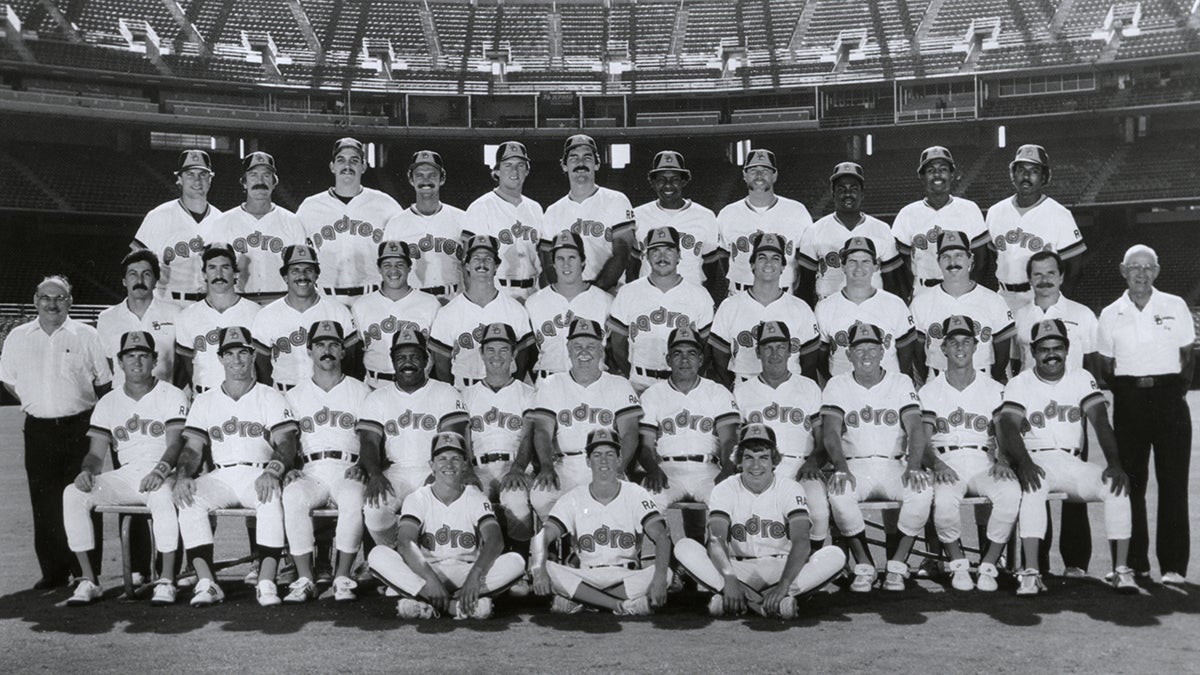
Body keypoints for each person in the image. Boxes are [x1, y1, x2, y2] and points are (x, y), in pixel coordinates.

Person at [996, 318, 1136, 596]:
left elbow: (1100, 422)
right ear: (1033, 352)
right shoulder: (1020, 382)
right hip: (1037, 459)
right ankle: (1031, 573)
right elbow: (1008, 426)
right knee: (1033, 488)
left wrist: (1115, 464)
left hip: (1072, 462)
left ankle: (1121, 570)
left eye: (1057, 348)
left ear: (1067, 349)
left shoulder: (1081, 377)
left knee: (1116, 487)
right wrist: (1024, 463)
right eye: (1044, 348)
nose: (1051, 354)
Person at [173, 326, 301, 607]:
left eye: (243, 352)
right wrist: (183, 476)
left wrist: (273, 470)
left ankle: (267, 581)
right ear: (220, 359)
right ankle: (207, 581)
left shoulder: (270, 396)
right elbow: (193, 449)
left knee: (270, 497)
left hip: (259, 471)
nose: (237, 360)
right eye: (229, 354)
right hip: (221, 473)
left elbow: (286, 442)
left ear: (253, 355)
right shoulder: (205, 400)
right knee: (188, 498)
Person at [1, 275, 111, 589]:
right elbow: (9, 379)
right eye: (46, 297)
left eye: (59, 298)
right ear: (36, 300)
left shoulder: (85, 334)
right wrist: (39, 403)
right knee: (44, 501)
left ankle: (86, 572)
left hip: (79, 428)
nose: (52, 303)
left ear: (70, 302)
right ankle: (53, 572)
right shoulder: (18, 336)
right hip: (38, 430)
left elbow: (103, 383)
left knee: (83, 495)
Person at [62, 331, 188, 606]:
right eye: (130, 356)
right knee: (74, 493)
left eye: (144, 356)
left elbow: (176, 443)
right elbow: (96, 453)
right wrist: (87, 471)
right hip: (128, 472)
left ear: (155, 360)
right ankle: (88, 579)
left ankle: (166, 580)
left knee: (164, 497)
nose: (137, 362)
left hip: (162, 471)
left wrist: (161, 470)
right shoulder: (108, 401)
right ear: (120, 362)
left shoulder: (172, 394)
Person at [672, 423, 847, 618]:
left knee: (835, 555)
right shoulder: (724, 488)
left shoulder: (790, 488)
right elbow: (715, 540)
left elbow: (802, 541)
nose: (756, 466)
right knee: (684, 546)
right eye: (749, 457)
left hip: (781, 567)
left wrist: (783, 585)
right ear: (739, 460)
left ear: (774, 460)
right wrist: (729, 578)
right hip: (737, 567)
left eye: (763, 457)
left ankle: (742, 601)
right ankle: (773, 604)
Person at [1097, 245, 1194, 585]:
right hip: (1130, 401)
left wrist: (1171, 390)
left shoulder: (1175, 305)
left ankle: (1173, 566)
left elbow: (1187, 355)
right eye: (1134, 267)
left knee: (1173, 484)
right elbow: (1105, 365)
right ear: (1123, 270)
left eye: (1147, 267)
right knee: (1131, 484)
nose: (1141, 273)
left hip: (1170, 400)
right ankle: (1134, 562)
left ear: (1157, 270)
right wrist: (1130, 391)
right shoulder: (1111, 312)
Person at [367, 431, 526, 619]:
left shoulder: (475, 497)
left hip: (466, 570)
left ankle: (426, 603)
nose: (449, 465)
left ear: (466, 465)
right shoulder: (418, 498)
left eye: (456, 459)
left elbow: (495, 540)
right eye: (442, 458)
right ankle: (456, 607)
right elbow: (405, 543)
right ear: (431, 465)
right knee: (378, 555)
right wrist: (431, 580)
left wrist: (475, 575)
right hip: (428, 570)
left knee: (516, 562)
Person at [822, 322, 932, 593]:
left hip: (894, 463)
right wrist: (840, 468)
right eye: (859, 350)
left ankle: (896, 564)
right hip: (855, 464)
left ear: (884, 352)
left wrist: (915, 465)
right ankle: (865, 564)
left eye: (872, 348)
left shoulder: (901, 381)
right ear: (848, 354)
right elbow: (831, 434)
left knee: (922, 491)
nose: (866, 355)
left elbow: (915, 427)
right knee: (839, 494)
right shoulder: (837, 384)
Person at [1012, 249, 1099, 577]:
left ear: (1061, 276)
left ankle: (1076, 563)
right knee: (1034, 488)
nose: (1044, 280)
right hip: (1031, 417)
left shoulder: (1082, 314)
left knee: (1075, 490)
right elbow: (1014, 365)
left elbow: (1092, 365)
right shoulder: (1020, 316)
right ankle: (1037, 564)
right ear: (1029, 278)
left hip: (1070, 415)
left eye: (1050, 273)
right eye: (1037, 274)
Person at [920, 316, 1020, 592]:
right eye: (953, 343)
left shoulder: (994, 388)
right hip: (946, 460)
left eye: (966, 342)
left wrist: (1003, 460)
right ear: (944, 349)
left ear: (976, 347)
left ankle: (989, 564)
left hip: (983, 460)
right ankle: (958, 563)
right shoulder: (929, 391)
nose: (960, 348)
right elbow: (923, 442)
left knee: (1010, 493)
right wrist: (937, 465)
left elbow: (1004, 434)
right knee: (943, 502)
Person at [529, 428, 672, 616]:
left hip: (625, 574)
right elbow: (542, 537)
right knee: (546, 567)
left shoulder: (636, 494)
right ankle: (620, 606)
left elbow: (662, 536)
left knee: (666, 573)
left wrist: (660, 578)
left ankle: (584, 600)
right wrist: (539, 567)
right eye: (596, 455)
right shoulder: (573, 497)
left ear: (619, 459)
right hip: (587, 574)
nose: (603, 460)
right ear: (588, 461)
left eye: (610, 454)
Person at [279, 321, 370, 603]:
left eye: (333, 345)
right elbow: (287, 441)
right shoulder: (293, 395)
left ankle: (342, 576)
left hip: (348, 469)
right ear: (309, 351)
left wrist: (365, 465)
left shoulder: (361, 391)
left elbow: (371, 438)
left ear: (343, 352)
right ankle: (305, 577)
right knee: (293, 496)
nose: (327, 351)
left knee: (354, 499)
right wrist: (291, 468)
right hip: (311, 470)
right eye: (320, 345)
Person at [355, 326, 469, 548]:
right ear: (393, 361)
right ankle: (393, 553)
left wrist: (439, 473)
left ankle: (427, 559)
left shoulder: (444, 392)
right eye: (401, 358)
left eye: (415, 357)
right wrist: (375, 474)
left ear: (426, 360)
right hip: (395, 472)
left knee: (439, 506)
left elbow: (453, 441)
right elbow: (368, 442)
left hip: (434, 469)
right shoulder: (377, 398)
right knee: (374, 508)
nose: (408, 363)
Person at [527, 318, 642, 520]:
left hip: (606, 463)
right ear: (568, 349)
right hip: (565, 464)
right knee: (540, 497)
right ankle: (559, 545)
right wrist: (546, 466)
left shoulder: (619, 384)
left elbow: (630, 432)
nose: (584, 352)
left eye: (591, 346)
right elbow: (543, 431)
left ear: (601, 350)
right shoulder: (551, 384)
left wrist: (620, 467)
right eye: (577, 346)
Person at [733, 321, 830, 551]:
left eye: (780, 347)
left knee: (818, 511)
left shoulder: (809, 387)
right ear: (758, 352)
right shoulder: (742, 391)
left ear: (790, 350)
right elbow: (736, 442)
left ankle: (809, 563)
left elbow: (822, 436)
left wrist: (814, 461)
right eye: (767, 348)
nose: (774, 354)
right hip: (759, 468)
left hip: (802, 465)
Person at [638, 326, 739, 518]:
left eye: (691, 353)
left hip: (707, 469)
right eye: (677, 353)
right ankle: (662, 547)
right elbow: (645, 446)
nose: (685, 360)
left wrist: (727, 468)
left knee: (727, 502)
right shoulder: (653, 394)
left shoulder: (717, 392)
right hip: (667, 470)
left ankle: (715, 548)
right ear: (668, 359)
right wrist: (652, 468)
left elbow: (729, 440)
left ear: (701, 359)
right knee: (646, 503)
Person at [608, 226, 715, 393]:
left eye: (669, 250)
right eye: (655, 251)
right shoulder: (628, 292)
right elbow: (618, 345)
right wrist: (632, 374)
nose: (662, 257)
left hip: (683, 385)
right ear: (647, 256)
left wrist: (690, 379)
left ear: (679, 255)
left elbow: (707, 349)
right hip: (639, 383)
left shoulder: (699, 294)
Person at [296, 137, 401, 306]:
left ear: (364, 166)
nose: (347, 166)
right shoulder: (309, 207)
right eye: (341, 160)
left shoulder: (386, 204)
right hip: (325, 298)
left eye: (354, 160)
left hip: (373, 298)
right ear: (332, 166)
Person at [710, 232, 820, 388]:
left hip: (790, 388)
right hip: (744, 387)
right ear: (752, 264)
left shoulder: (800, 308)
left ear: (783, 267)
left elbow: (809, 363)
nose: (768, 263)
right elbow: (719, 360)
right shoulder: (730, 306)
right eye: (762, 257)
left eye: (775, 258)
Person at [986, 144, 1086, 313]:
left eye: (1034, 171)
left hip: (1040, 298)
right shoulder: (995, 212)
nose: (1026, 176)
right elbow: (989, 261)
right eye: (1021, 170)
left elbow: (1074, 268)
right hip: (1003, 299)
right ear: (1013, 175)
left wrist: (1056, 305)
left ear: (1043, 177)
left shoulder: (1060, 214)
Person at [462, 323, 537, 546]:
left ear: (514, 353)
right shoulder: (467, 395)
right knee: (469, 499)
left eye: (504, 350)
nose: (497, 356)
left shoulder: (528, 393)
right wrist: (467, 471)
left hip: (515, 464)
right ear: (482, 354)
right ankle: (473, 565)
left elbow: (528, 437)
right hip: (479, 468)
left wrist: (517, 469)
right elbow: (463, 439)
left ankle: (519, 570)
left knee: (516, 500)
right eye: (491, 350)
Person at [429, 235, 534, 389]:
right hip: (463, 390)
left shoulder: (515, 310)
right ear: (467, 266)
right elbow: (442, 368)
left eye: (488, 259)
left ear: (497, 266)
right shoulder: (448, 312)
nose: (482, 263)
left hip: (505, 391)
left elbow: (522, 361)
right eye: (476, 258)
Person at [251, 244, 360, 391]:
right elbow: (261, 365)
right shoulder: (267, 315)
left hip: (329, 391)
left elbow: (351, 361)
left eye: (308, 270)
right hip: (284, 392)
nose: (302, 276)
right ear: (285, 277)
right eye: (295, 271)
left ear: (316, 275)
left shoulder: (338, 311)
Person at [202, 151, 306, 305]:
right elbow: (210, 269)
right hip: (237, 301)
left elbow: (302, 266)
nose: (260, 181)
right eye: (253, 175)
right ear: (244, 182)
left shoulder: (292, 220)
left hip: (281, 301)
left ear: (274, 182)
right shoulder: (223, 221)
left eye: (266, 175)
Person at [909, 230, 1014, 383]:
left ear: (970, 259)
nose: (953, 263)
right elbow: (917, 354)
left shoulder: (994, 300)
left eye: (959, 255)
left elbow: (1002, 355)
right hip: (937, 380)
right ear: (938, 262)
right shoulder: (921, 302)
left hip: (983, 378)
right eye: (946, 257)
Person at [797, 162, 905, 304]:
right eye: (841, 189)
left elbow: (892, 283)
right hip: (829, 308)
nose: (847, 194)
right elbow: (805, 284)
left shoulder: (882, 229)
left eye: (853, 188)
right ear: (833, 193)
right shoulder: (814, 231)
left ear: (862, 193)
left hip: (872, 306)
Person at [813, 237, 917, 380]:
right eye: (852, 262)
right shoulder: (825, 307)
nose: (858, 268)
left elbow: (906, 354)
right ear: (843, 266)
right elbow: (820, 357)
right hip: (843, 389)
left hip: (887, 389)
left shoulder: (894, 304)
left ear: (876, 267)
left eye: (865, 261)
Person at [543, 134, 636, 291]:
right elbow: (548, 263)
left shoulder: (616, 200)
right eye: (573, 158)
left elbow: (622, 255)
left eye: (587, 157)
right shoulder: (553, 211)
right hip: (568, 295)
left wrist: (594, 293)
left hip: (608, 292)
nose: (581, 163)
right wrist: (565, 294)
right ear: (564, 166)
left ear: (597, 164)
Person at [132, 149, 222, 311]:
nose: (197, 180)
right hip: (167, 304)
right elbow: (135, 264)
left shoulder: (221, 220)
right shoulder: (158, 216)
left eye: (203, 174)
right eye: (190, 174)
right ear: (179, 179)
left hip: (209, 306)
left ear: (210, 179)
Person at [892, 146, 989, 295]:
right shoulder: (907, 213)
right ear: (922, 176)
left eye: (943, 169)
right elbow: (901, 265)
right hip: (923, 291)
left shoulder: (969, 209)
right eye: (930, 170)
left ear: (952, 175)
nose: (937, 174)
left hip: (961, 290)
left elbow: (981, 261)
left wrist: (970, 293)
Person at [715, 148, 812, 296]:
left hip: (784, 294)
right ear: (744, 175)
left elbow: (805, 260)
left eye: (765, 170)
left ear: (775, 176)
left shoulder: (797, 211)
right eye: (753, 170)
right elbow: (722, 257)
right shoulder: (727, 213)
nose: (759, 175)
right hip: (740, 293)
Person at [633, 150, 723, 302]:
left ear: (683, 181)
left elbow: (712, 269)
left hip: (691, 299)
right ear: (653, 182)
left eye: (674, 179)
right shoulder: (638, 215)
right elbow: (632, 267)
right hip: (647, 298)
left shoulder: (705, 216)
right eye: (661, 179)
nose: (668, 185)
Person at [350, 241, 441, 390]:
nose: (394, 270)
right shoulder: (361, 305)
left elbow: (439, 356)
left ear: (409, 267)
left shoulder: (430, 304)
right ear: (379, 268)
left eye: (399, 264)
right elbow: (352, 358)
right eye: (387, 265)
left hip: (419, 387)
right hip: (375, 386)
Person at [174, 243, 263, 394]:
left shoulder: (255, 312)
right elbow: (186, 365)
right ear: (204, 274)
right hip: (204, 396)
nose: (219, 274)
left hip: (246, 397)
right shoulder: (187, 316)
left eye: (225, 267)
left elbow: (262, 364)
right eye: (212, 267)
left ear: (235, 274)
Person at [524, 230, 614, 380]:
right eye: (560, 258)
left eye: (572, 257)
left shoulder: (605, 301)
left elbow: (614, 351)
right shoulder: (534, 303)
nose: (566, 264)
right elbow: (529, 354)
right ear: (553, 263)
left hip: (591, 383)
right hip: (548, 384)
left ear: (583, 261)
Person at [462, 141, 544, 301]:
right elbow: (466, 262)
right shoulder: (480, 207)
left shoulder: (535, 208)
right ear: (497, 171)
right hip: (497, 292)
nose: (515, 171)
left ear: (527, 171)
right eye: (507, 165)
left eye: (520, 165)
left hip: (533, 293)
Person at [382, 150, 465, 305]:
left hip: (454, 299)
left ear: (442, 178)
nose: (425, 180)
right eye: (419, 175)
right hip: (413, 301)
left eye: (432, 175)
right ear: (410, 179)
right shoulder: (396, 223)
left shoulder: (462, 219)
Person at [97, 249, 177, 389]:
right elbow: (107, 364)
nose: (139, 280)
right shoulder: (107, 318)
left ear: (156, 280)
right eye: (133, 274)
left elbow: (182, 361)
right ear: (124, 281)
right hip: (122, 400)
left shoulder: (174, 313)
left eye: (146, 274)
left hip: (163, 399)